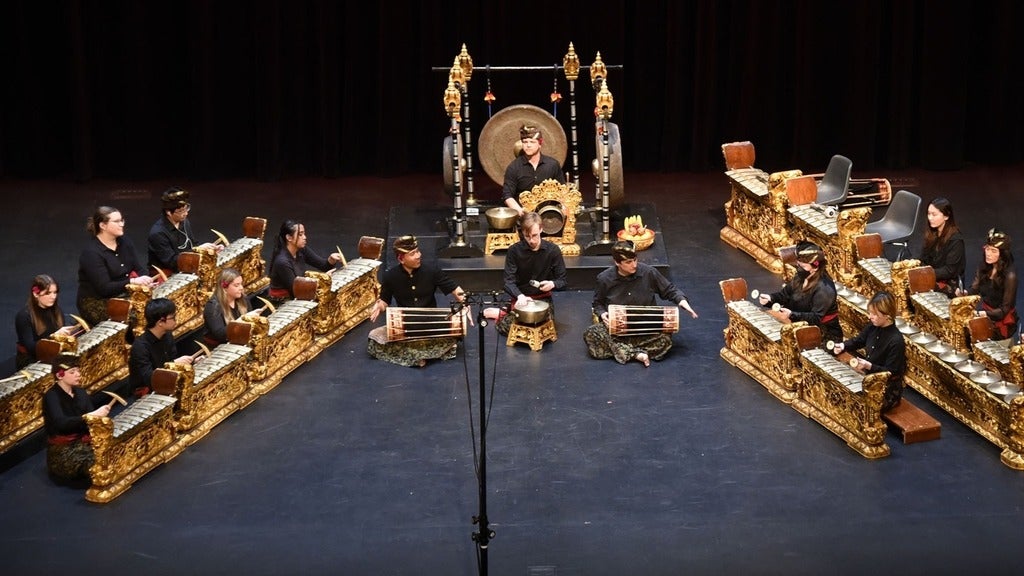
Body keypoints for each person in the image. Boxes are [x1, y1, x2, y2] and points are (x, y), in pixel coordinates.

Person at [583, 240, 698, 366]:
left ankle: (625, 351)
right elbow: (597, 303)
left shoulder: (648, 272)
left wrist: (681, 300)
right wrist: (602, 313)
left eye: (635, 260)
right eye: (628, 262)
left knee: (665, 339)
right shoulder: (604, 278)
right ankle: (636, 354)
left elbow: (670, 290)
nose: (634, 265)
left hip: (645, 327)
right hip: (617, 329)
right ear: (617, 263)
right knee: (591, 334)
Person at [367, 235, 468, 367]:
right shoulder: (390, 276)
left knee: (454, 332)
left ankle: (413, 357)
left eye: (418, 251)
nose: (418, 255)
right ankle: (426, 354)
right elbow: (385, 301)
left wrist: (465, 303)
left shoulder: (431, 271)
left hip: (431, 324)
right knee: (373, 339)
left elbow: (455, 289)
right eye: (413, 253)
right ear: (401, 259)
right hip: (406, 326)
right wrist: (378, 307)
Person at [486, 212, 568, 335]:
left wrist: (552, 284)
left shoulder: (553, 250)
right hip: (521, 298)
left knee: (543, 329)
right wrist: (520, 296)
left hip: (542, 299)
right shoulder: (514, 250)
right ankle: (502, 314)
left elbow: (563, 281)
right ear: (522, 233)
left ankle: (504, 312)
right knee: (510, 328)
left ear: (541, 229)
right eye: (527, 236)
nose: (531, 240)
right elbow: (508, 282)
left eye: (534, 235)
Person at [76, 206, 153, 327]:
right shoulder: (91, 253)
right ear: (103, 225)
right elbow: (104, 288)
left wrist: (147, 280)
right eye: (117, 221)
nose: (121, 224)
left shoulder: (125, 242)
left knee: (158, 304)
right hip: (97, 301)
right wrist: (132, 281)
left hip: (123, 292)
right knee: (139, 315)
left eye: (122, 220)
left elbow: (138, 268)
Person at [832, 291, 906, 412]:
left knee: (854, 402)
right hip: (868, 377)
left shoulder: (896, 341)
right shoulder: (873, 327)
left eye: (874, 314)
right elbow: (859, 341)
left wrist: (869, 366)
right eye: (870, 313)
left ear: (887, 315)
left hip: (886, 389)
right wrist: (842, 345)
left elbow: (892, 372)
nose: (870, 317)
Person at [41, 353, 111, 482]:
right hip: (64, 450)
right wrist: (90, 416)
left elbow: (91, 421)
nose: (78, 374)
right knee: (96, 464)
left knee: (110, 453)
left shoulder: (81, 392)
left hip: (85, 441)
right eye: (72, 372)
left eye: (78, 371)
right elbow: (61, 423)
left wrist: (98, 417)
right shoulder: (51, 397)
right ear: (59, 375)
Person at [758, 241, 842, 344]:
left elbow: (815, 318)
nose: (799, 269)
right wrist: (770, 299)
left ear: (815, 267)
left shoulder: (825, 289)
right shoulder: (800, 277)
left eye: (803, 266)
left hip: (822, 332)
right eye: (798, 265)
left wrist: (792, 314)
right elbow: (784, 295)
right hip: (797, 322)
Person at [147, 187, 222, 276]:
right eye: (181, 211)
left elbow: (193, 244)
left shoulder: (184, 222)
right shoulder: (158, 233)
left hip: (187, 266)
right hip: (168, 273)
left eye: (186, 208)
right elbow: (172, 262)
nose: (185, 213)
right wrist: (198, 251)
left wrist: (208, 251)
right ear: (168, 212)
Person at [129, 298, 194, 397]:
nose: (176, 320)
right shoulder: (140, 347)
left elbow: (172, 359)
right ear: (160, 322)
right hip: (148, 390)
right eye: (173, 317)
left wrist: (192, 362)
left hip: (168, 380)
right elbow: (149, 378)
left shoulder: (167, 335)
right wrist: (174, 364)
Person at [266, 219, 343, 302]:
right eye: (300, 235)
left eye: (304, 234)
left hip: (298, 295)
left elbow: (323, 266)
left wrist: (331, 259)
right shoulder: (282, 262)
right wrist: (322, 280)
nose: (305, 237)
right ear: (289, 238)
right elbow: (296, 291)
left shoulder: (301, 250)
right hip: (282, 302)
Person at [964, 228, 1018, 341]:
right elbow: (975, 287)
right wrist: (964, 293)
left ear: (1002, 254)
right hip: (986, 314)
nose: (988, 254)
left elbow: (1004, 310)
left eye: (993, 251)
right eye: (987, 249)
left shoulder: (1010, 276)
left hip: (1000, 320)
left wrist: (981, 314)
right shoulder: (984, 266)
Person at [501, 124, 563, 217]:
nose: (528, 145)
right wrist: (519, 210)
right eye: (525, 142)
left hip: (549, 214)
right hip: (524, 215)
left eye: (532, 142)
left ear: (540, 143)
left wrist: (563, 207)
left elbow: (561, 190)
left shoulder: (552, 164)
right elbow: (507, 195)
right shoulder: (514, 167)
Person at [15, 274, 75, 368]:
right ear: (35, 294)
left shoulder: (57, 311)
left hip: (53, 354)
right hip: (31, 360)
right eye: (48, 293)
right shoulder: (24, 316)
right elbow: (32, 349)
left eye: (55, 292)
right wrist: (54, 336)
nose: (53, 297)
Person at [918, 197, 965, 297]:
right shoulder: (932, 233)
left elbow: (949, 270)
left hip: (949, 283)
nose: (930, 218)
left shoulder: (956, 240)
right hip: (931, 275)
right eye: (929, 214)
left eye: (934, 214)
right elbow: (923, 258)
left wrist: (926, 274)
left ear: (946, 216)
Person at [203, 267, 261, 346]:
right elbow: (220, 335)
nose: (241, 288)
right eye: (236, 285)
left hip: (241, 341)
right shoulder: (213, 306)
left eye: (241, 284)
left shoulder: (243, 299)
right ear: (225, 287)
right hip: (221, 347)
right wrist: (242, 320)